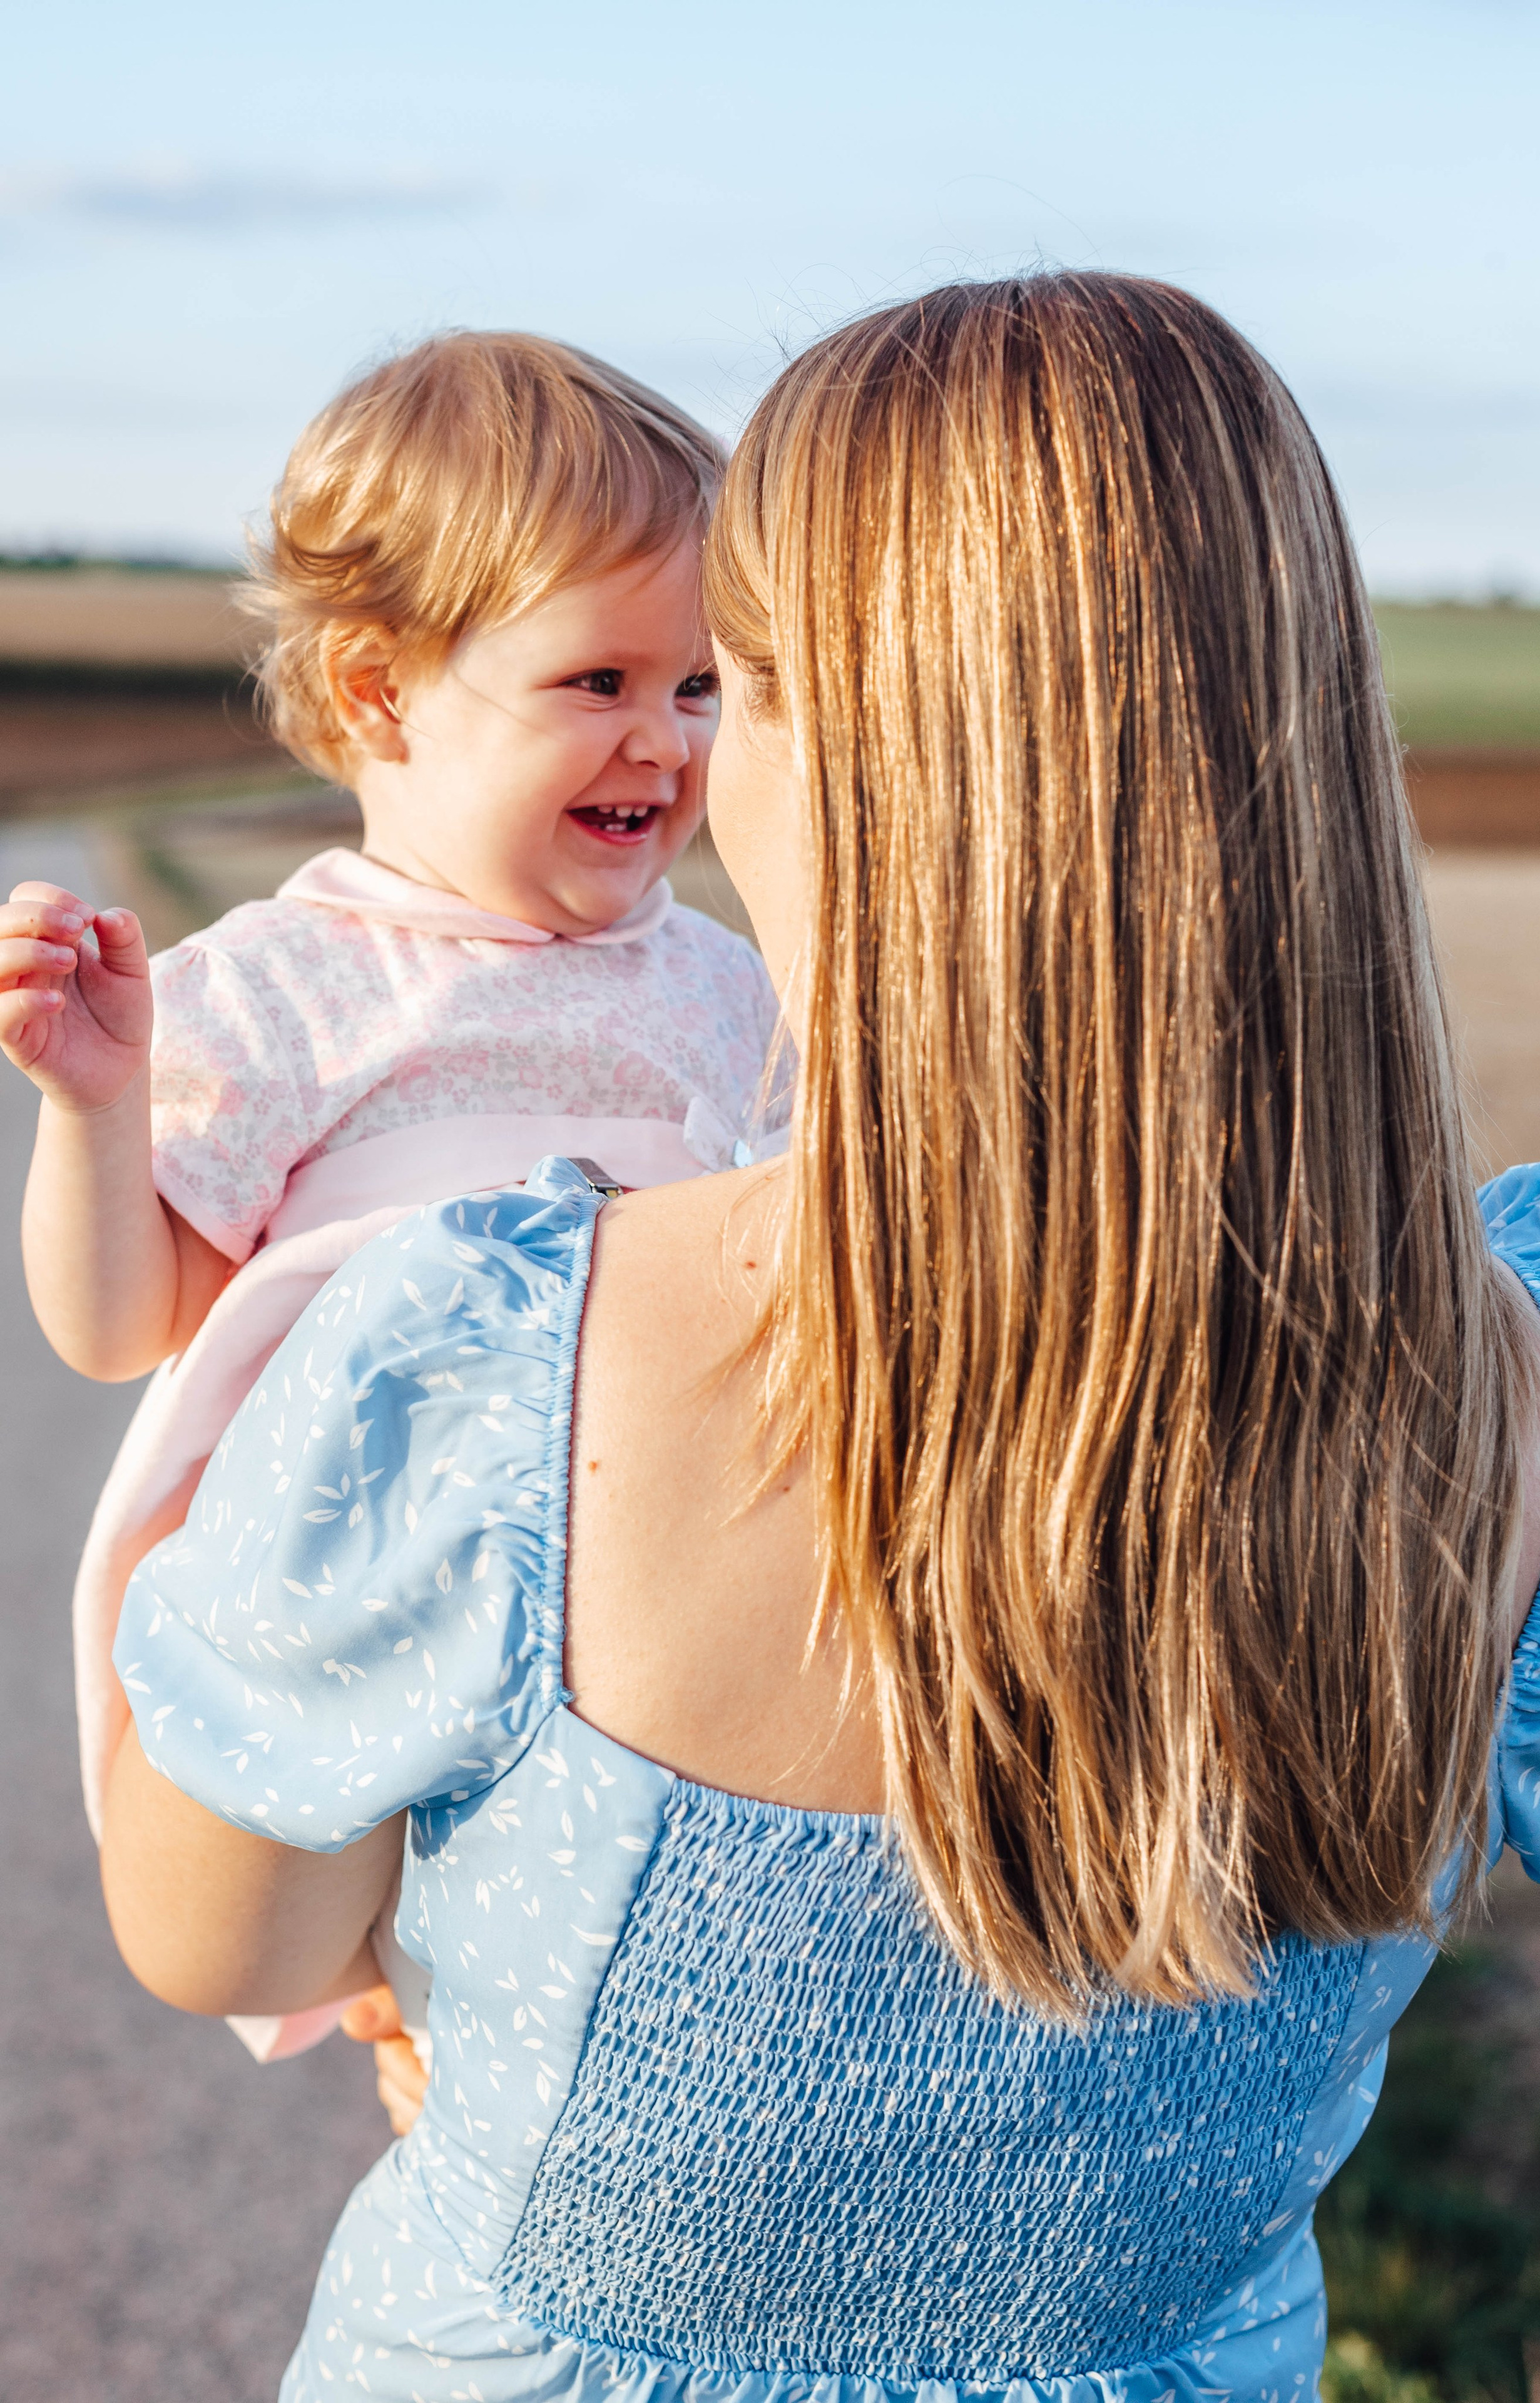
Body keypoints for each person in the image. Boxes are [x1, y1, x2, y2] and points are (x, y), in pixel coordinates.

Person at [98, 272, 1540, 2403]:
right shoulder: (1534, 1385)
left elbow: (212, 1934)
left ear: (833, 741)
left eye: (728, 681)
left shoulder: (497, 1358)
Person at [0, 330, 778, 2074]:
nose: (664, 740)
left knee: (567, 1980)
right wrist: (97, 1111)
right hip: (343, 1604)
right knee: (353, 1939)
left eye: (700, 687)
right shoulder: (289, 988)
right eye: (599, 679)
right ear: (380, 695)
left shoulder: (727, 988)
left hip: (634, 1590)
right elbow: (122, 1329)